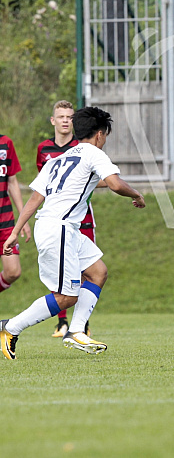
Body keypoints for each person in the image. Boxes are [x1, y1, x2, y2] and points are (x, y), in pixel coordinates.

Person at [0, 107, 146, 360]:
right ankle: (9, 328)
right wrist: (136, 195)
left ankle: (76, 331)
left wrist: (14, 232)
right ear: (100, 134)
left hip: (63, 228)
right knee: (67, 296)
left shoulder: (60, 158)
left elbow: (36, 198)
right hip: (59, 228)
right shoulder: (94, 153)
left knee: (98, 272)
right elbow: (115, 184)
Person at [37, 100, 98, 338]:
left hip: (82, 219)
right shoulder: (44, 149)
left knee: (89, 270)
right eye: (61, 116)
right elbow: (43, 185)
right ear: (53, 120)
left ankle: (81, 324)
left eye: (70, 117)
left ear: (75, 122)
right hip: (56, 220)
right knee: (59, 270)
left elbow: (101, 178)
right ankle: (62, 323)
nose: (65, 120)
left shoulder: (83, 147)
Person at [0, 134, 32, 296]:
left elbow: (12, 182)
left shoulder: (6, 143)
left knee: (13, 271)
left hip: (5, 221)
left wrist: (23, 218)